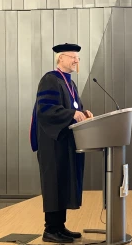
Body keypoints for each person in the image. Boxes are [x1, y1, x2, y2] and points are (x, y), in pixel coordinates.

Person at [30, 43, 93, 243]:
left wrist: (84, 113)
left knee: (63, 183)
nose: (76, 61)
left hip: (65, 142)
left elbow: (75, 108)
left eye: (78, 58)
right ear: (61, 59)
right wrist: (72, 114)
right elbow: (46, 110)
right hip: (52, 142)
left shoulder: (70, 84)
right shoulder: (50, 79)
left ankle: (60, 227)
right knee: (54, 184)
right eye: (72, 57)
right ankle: (50, 229)